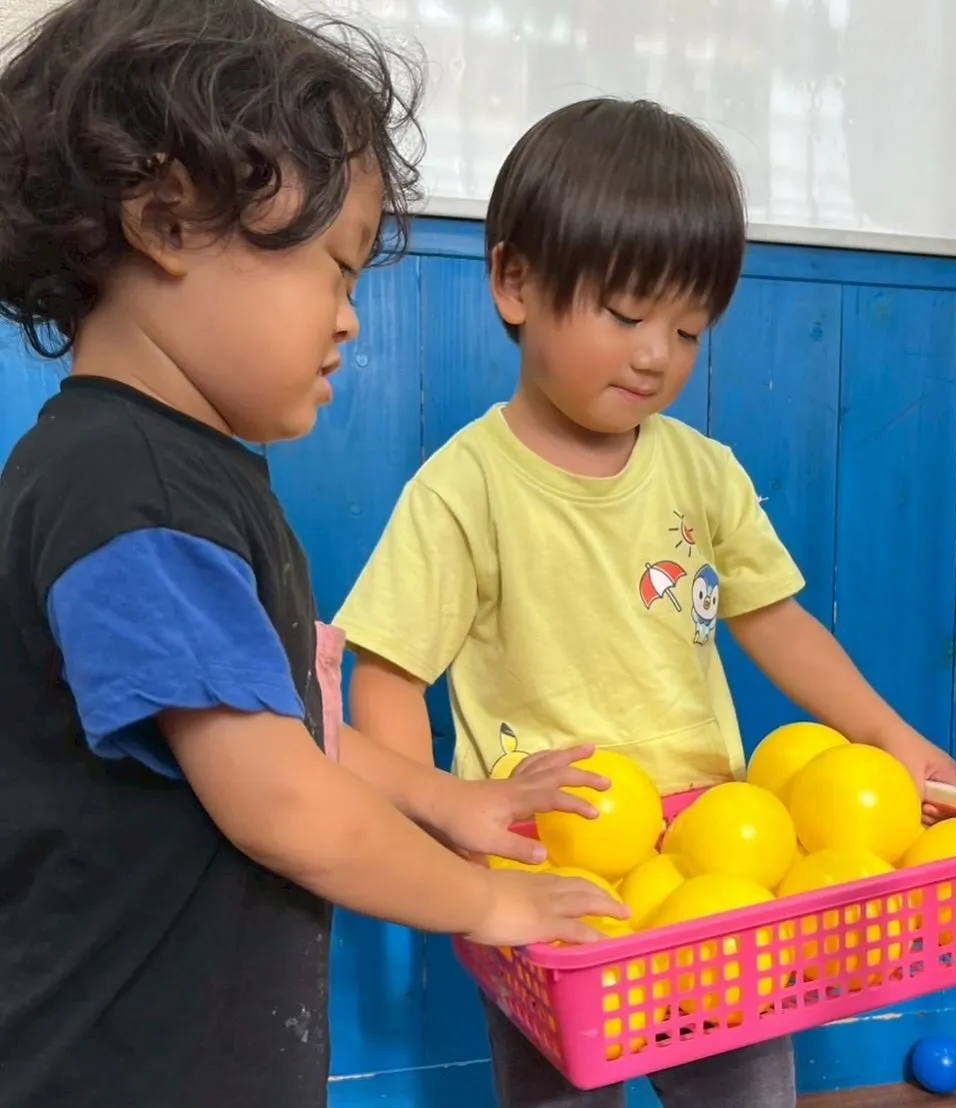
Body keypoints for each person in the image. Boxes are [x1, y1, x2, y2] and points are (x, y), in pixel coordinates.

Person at [0, 5, 627, 1108]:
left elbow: (272, 727)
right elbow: (279, 799)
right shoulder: (126, 489)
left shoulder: (174, 473)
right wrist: (487, 904)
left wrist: (444, 800)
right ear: (167, 216)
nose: (348, 320)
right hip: (123, 1066)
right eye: (334, 272)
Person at [335, 98, 956, 1108]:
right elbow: (388, 675)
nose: (653, 354)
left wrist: (886, 731)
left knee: (746, 1091)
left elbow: (774, 618)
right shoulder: (464, 487)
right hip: (557, 875)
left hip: (716, 866)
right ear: (514, 283)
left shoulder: (701, 472)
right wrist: (445, 826)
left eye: (686, 328)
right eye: (626, 315)